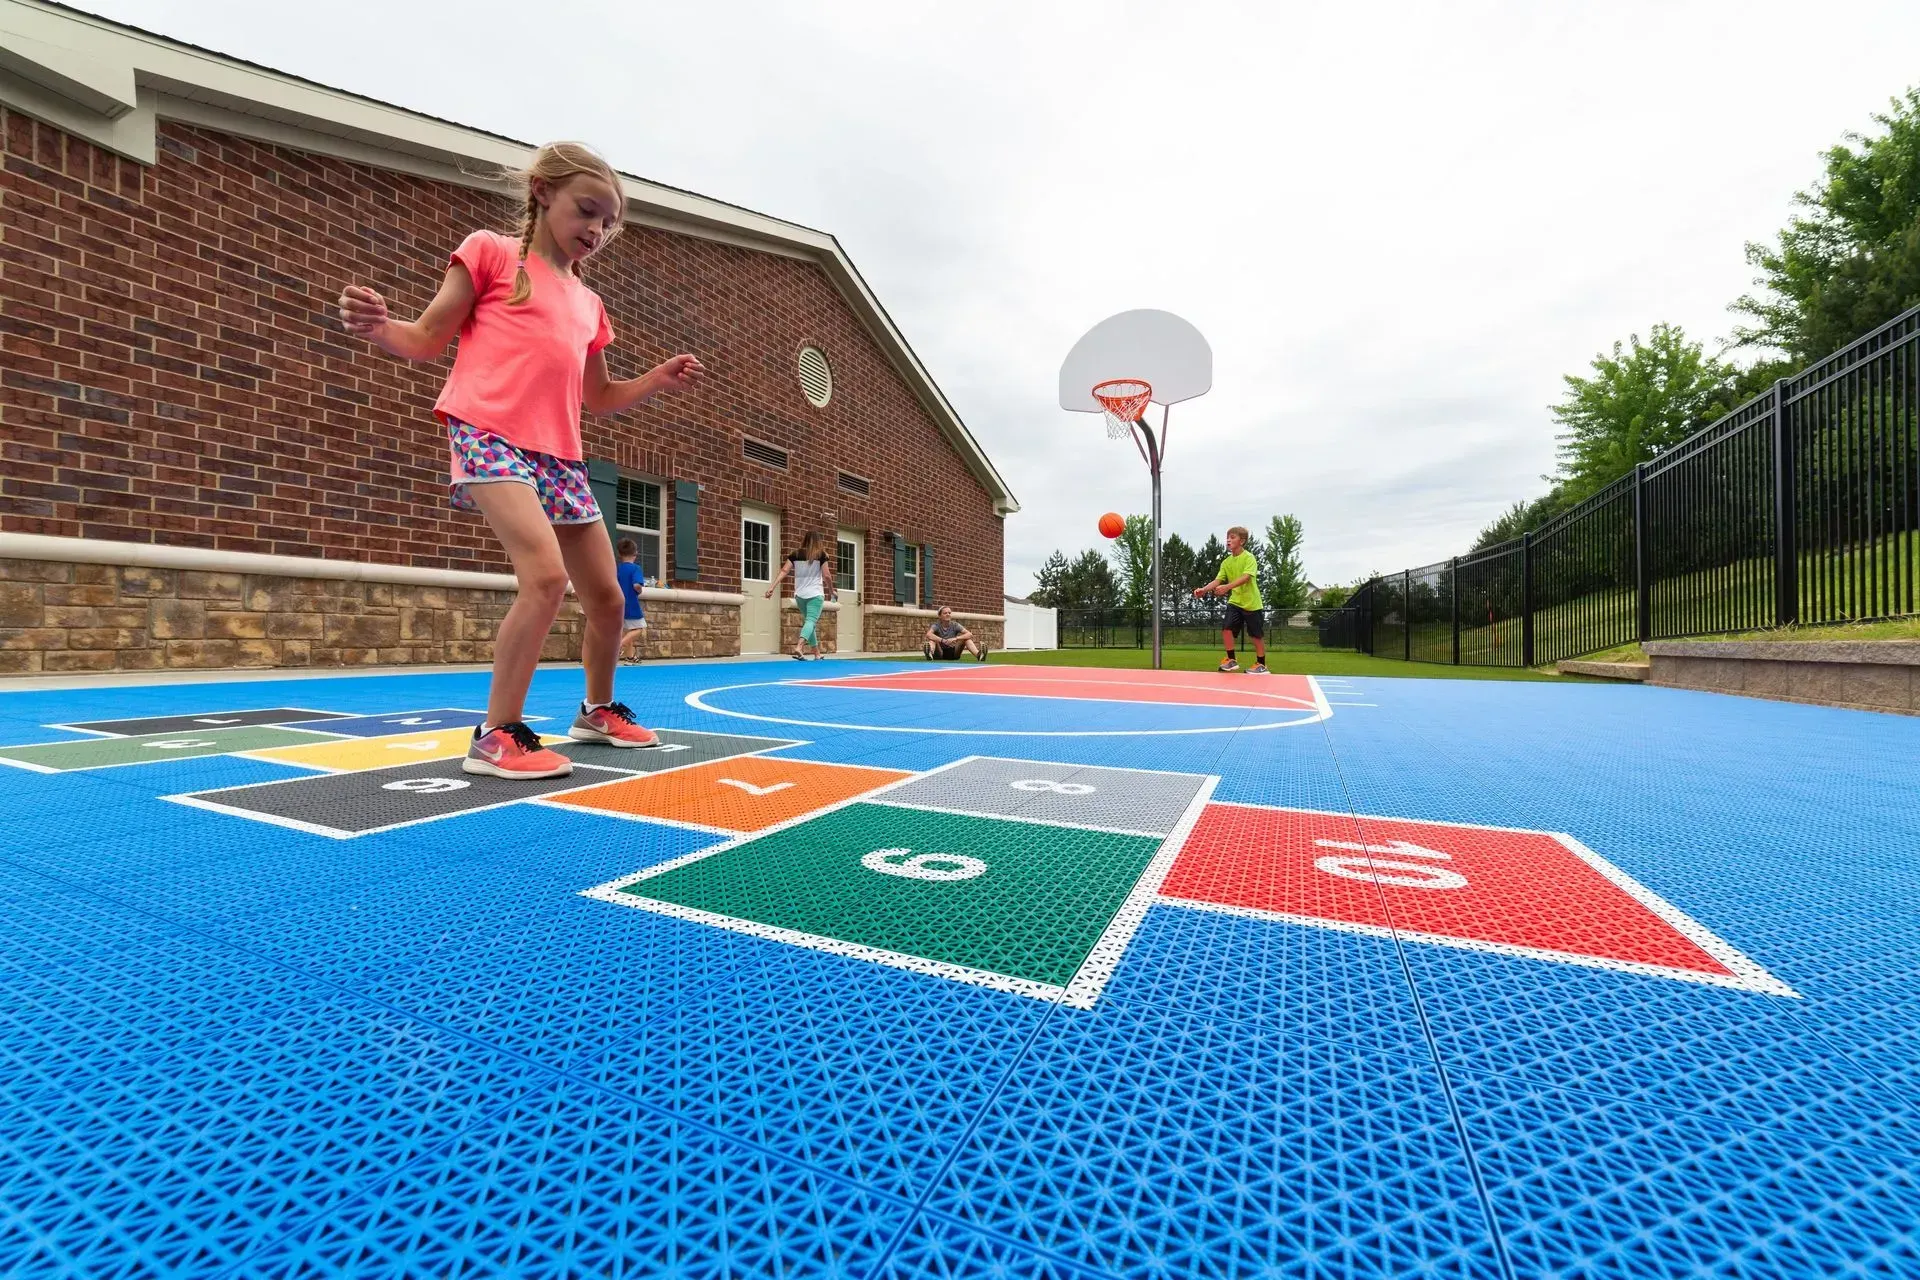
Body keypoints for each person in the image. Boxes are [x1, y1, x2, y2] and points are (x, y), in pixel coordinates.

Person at [337, 141, 706, 778]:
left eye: (607, 223)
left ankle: (595, 710)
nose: (596, 229)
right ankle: (495, 733)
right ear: (542, 191)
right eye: (587, 211)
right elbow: (426, 340)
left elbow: (599, 397)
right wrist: (379, 328)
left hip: (560, 455)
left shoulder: (590, 304)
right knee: (543, 577)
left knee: (609, 599)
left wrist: (656, 380)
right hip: (487, 432)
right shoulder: (490, 252)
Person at [1194, 525, 1268, 673]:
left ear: (1242, 541)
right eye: (1227, 537)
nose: (1228, 540)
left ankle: (1262, 665)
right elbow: (1218, 580)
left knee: (1255, 635)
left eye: (1232, 537)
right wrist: (1204, 589)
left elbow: (1246, 577)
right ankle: (1231, 660)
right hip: (1235, 602)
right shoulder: (1226, 562)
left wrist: (1227, 587)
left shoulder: (1249, 558)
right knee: (1226, 628)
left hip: (1251, 603)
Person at [765, 530, 834, 659]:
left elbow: (784, 570)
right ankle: (799, 646)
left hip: (800, 595)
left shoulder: (795, 554)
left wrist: (772, 587)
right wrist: (831, 591)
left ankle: (817, 654)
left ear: (805, 540)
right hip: (815, 594)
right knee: (811, 621)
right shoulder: (821, 555)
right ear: (819, 541)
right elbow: (827, 576)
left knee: (809, 623)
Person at [615, 538, 647, 663]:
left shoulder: (617, 568)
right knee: (639, 628)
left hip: (618, 604)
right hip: (631, 604)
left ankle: (630, 657)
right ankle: (618, 645)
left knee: (628, 630)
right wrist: (639, 590)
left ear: (620, 554)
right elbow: (636, 585)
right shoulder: (635, 569)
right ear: (635, 553)